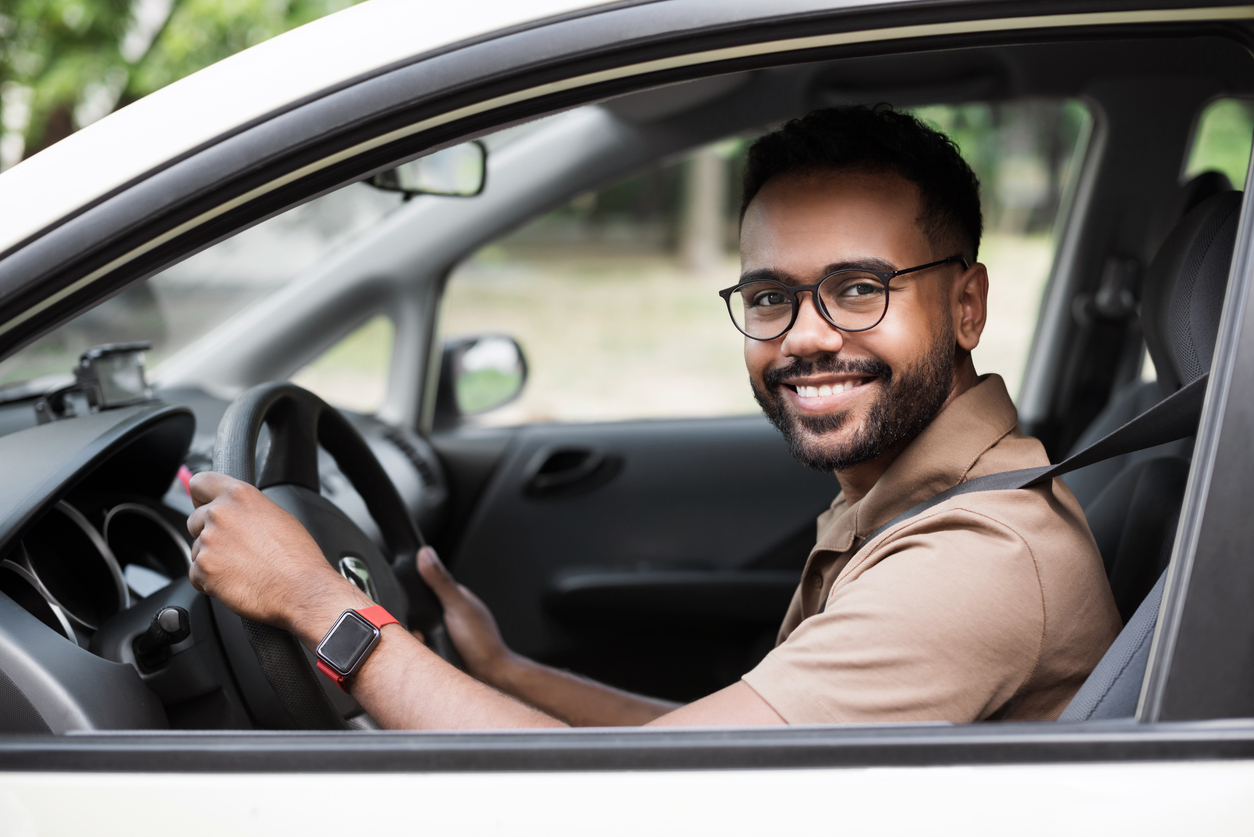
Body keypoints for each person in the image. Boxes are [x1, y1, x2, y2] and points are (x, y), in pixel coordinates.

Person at [187, 105, 1122, 729]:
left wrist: (320, 606)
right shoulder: (912, 498)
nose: (804, 337)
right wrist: (509, 675)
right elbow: (715, 745)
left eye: (859, 288)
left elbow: (636, 804)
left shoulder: (975, 561)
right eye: (769, 297)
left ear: (967, 307)